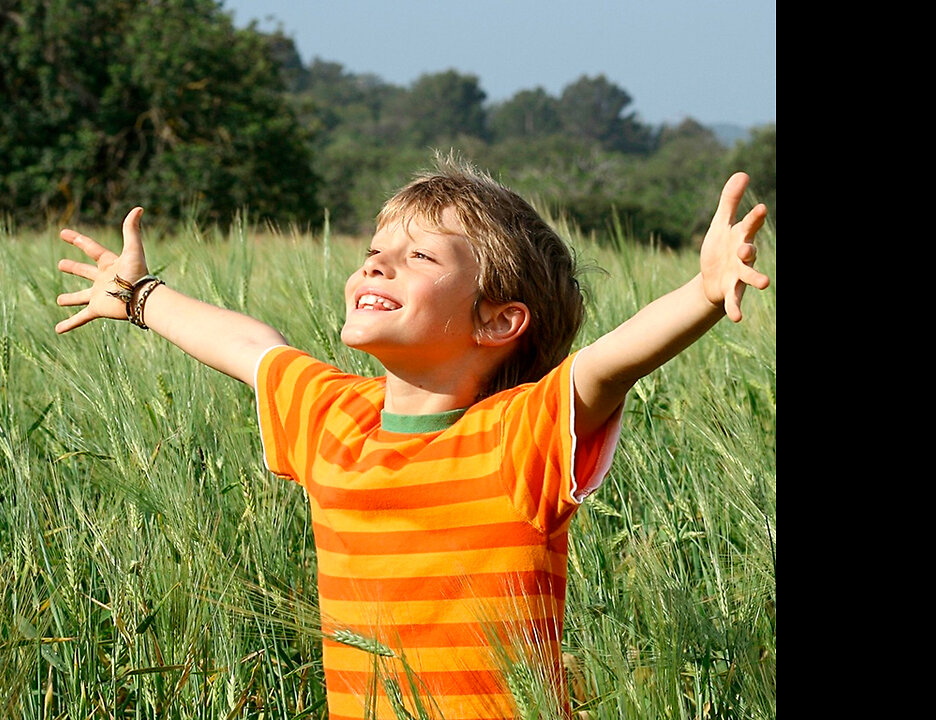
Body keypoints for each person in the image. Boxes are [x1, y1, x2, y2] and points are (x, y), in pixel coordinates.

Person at [54, 158, 769, 720]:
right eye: (374, 250)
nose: (375, 263)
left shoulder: (519, 436)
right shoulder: (335, 417)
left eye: (421, 258)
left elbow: (609, 364)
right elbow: (250, 346)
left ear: (497, 322)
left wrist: (702, 294)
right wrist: (139, 297)